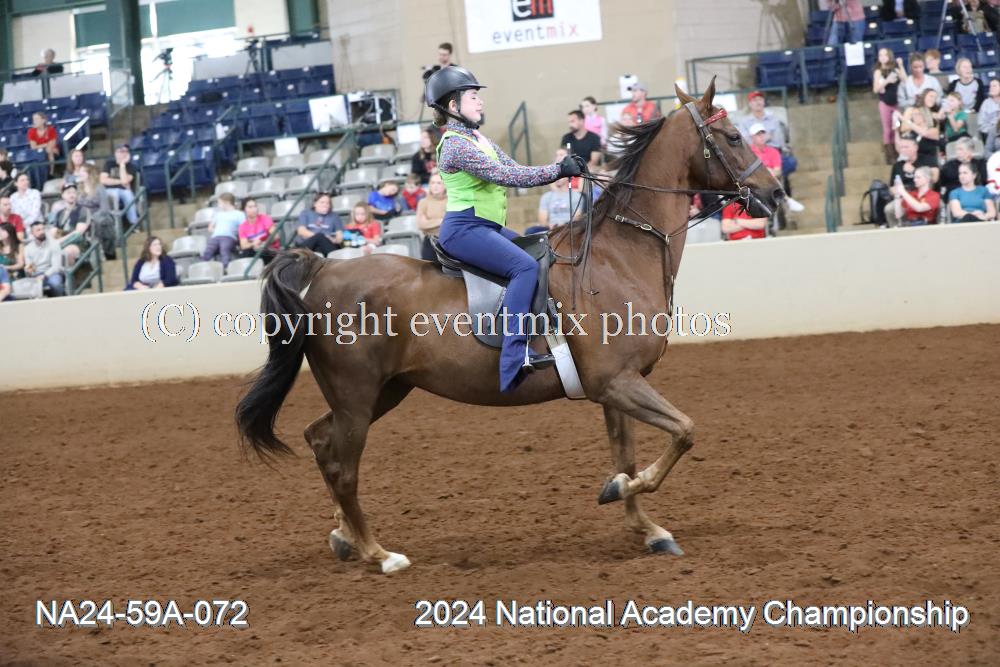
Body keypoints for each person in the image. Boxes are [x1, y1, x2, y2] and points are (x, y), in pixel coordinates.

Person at [425, 65, 581, 390]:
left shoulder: (478, 139)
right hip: (464, 229)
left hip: (487, 227)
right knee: (524, 267)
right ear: (453, 105)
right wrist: (557, 170)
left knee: (538, 249)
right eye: (473, 96)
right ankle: (514, 356)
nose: (480, 101)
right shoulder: (455, 145)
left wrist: (561, 168)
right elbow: (507, 176)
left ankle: (546, 332)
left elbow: (516, 167)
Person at [873, 48, 907, 163]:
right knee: (887, 129)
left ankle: (898, 151)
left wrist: (901, 65)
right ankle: (889, 154)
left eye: (885, 55)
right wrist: (887, 81)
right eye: (880, 55)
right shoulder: (878, 71)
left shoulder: (895, 69)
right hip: (885, 103)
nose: (883, 57)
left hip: (896, 103)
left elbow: (906, 80)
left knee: (897, 127)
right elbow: (875, 89)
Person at [47, 183, 90, 267]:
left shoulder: (82, 210)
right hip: (60, 241)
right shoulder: (59, 213)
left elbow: (78, 233)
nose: (71, 195)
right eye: (68, 193)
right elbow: (53, 231)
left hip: (78, 243)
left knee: (68, 251)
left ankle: (70, 275)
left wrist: (59, 242)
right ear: (63, 195)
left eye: (73, 192)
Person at [900, 90, 942, 166]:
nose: (933, 99)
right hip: (912, 144)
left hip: (929, 147)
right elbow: (903, 128)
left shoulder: (935, 114)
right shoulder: (911, 110)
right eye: (931, 96)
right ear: (924, 96)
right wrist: (917, 124)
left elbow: (936, 133)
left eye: (935, 97)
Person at [200, 193, 243, 267]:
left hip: (229, 237)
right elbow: (210, 227)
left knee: (224, 250)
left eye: (219, 203)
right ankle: (202, 266)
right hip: (216, 237)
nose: (218, 205)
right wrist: (218, 230)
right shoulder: (218, 214)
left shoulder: (239, 214)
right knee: (208, 250)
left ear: (227, 202)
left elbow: (244, 227)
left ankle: (226, 267)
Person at [23, 220, 64, 296]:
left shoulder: (54, 244)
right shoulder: (28, 248)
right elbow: (29, 266)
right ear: (32, 233)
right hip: (36, 275)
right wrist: (29, 271)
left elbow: (56, 267)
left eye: (43, 229)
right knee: (24, 286)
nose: (42, 232)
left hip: (52, 274)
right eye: (38, 230)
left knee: (55, 283)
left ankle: (61, 300)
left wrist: (44, 275)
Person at [100, 144, 138, 226]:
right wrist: (121, 181)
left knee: (129, 195)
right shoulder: (109, 164)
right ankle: (115, 225)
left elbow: (125, 181)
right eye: (121, 151)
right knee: (114, 194)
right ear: (115, 153)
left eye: (126, 151)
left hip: (124, 190)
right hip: (109, 190)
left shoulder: (132, 167)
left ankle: (134, 223)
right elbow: (103, 180)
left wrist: (122, 165)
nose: (124, 153)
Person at [416, 171, 447, 260]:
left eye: (439, 183)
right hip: (429, 242)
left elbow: (452, 223)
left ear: (445, 185)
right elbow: (421, 224)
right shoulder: (423, 202)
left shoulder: (451, 201)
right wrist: (441, 220)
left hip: (448, 240)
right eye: (432, 183)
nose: (435, 186)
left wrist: (430, 223)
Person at [977, 78, 1000, 144]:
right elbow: (981, 124)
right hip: (990, 134)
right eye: (990, 86)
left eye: (994, 86)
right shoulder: (986, 103)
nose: (991, 88)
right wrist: (994, 131)